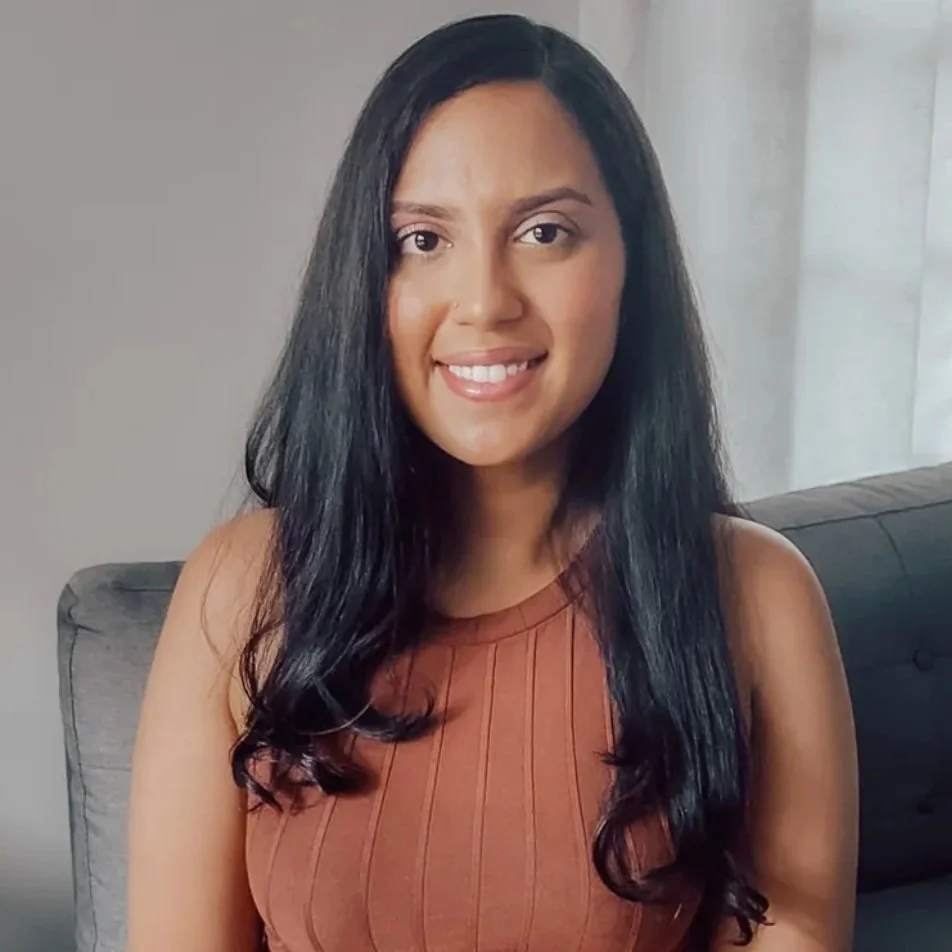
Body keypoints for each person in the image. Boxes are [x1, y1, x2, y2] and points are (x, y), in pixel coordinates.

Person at [127, 13, 858, 952]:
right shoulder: (238, 592)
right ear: (366, 279)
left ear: (631, 264)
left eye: (546, 231)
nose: (484, 302)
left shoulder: (757, 597)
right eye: (422, 240)